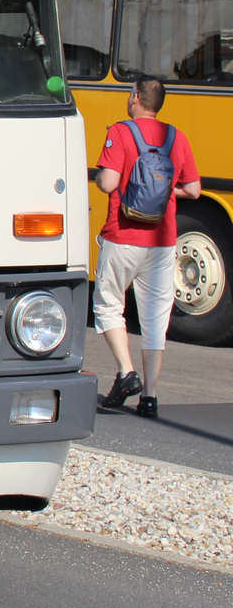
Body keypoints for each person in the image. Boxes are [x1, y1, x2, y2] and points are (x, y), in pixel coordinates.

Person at [93, 75, 201, 417]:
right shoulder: (176, 137)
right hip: (162, 241)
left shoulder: (121, 132)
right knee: (155, 318)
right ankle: (150, 397)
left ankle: (126, 372)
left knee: (109, 305)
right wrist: (166, 191)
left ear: (136, 97)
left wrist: (102, 176)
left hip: (123, 236)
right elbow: (194, 189)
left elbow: (108, 182)